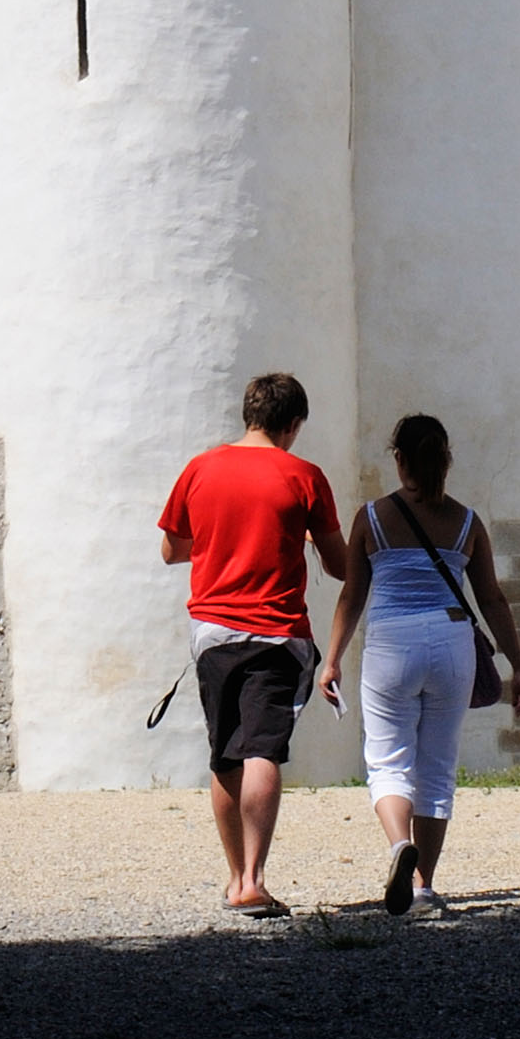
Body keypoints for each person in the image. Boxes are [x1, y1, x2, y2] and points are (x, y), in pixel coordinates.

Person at [156, 370, 350, 918]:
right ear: (292, 425)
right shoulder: (303, 475)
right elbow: (339, 566)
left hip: (213, 631)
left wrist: (222, 541)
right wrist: (305, 536)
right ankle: (255, 881)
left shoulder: (200, 468)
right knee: (261, 748)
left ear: (248, 414)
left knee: (225, 752)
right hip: (276, 631)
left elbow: (172, 550)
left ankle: (234, 875)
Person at [319, 410, 520, 916]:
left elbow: (352, 594)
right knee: (436, 766)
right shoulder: (467, 522)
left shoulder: (371, 519)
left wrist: (332, 660)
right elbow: (493, 599)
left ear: (399, 459)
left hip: (392, 640)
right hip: (452, 639)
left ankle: (398, 847)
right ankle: (422, 888)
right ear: (446, 462)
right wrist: (519, 666)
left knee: (388, 759)